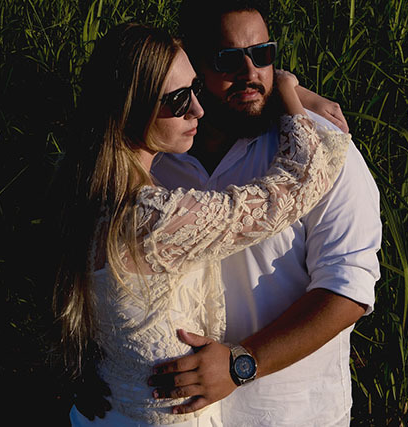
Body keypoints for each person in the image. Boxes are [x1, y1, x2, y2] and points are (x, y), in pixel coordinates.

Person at [52, 22, 350, 425]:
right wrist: (287, 91)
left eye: (195, 89)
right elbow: (300, 182)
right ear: (130, 108)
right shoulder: (154, 220)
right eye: (177, 101)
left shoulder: (78, 189)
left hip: (105, 410)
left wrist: (85, 368)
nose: (198, 109)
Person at [147, 0, 383, 426]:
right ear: (191, 66)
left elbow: (347, 288)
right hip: (178, 417)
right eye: (228, 59)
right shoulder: (155, 151)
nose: (251, 72)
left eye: (263, 54)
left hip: (292, 412)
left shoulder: (323, 151)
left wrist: (241, 363)